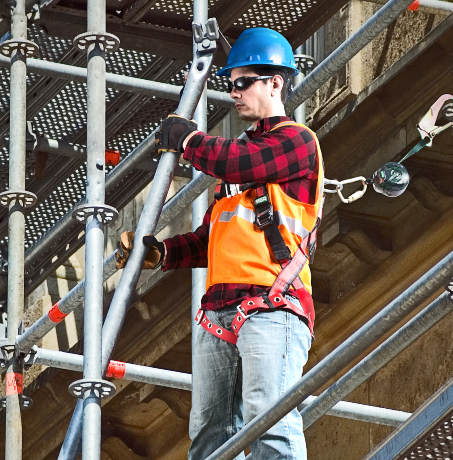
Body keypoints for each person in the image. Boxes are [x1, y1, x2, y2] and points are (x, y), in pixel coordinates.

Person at [116, 27, 325, 459]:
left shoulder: (296, 142)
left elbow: (239, 159)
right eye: (230, 85)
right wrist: (163, 252)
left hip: (271, 304)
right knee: (210, 436)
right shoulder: (235, 173)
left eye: (243, 82)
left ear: (275, 82)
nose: (234, 92)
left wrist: (189, 141)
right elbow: (211, 239)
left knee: (269, 419)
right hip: (219, 312)